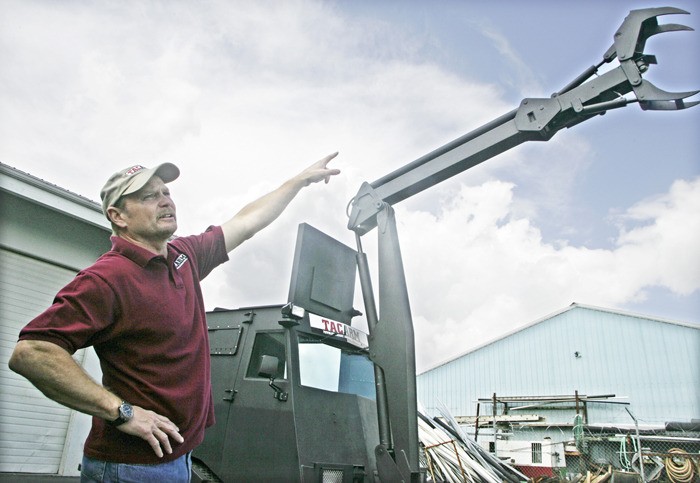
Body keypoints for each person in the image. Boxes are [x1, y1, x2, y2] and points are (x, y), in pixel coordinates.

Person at [8, 153, 340, 483]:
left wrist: (297, 181)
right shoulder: (107, 279)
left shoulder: (184, 256)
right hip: (132, 467)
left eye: (166, 192)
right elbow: (33, 352)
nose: (166, 201)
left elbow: (245, 221)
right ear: (118, 216)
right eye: (149, 196)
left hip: (180, 455)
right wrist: (122, 412)